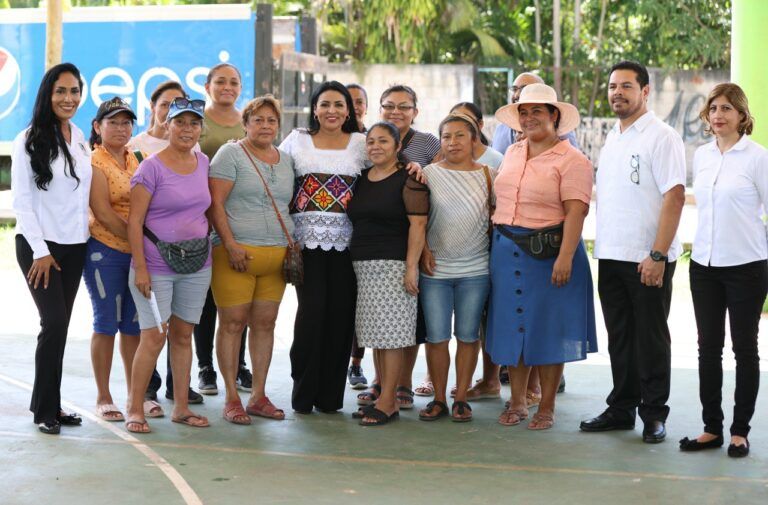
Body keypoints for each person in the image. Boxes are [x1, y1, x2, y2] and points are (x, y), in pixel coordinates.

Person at [580, 61, 686, 444]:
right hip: (611, 254)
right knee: (620, 336)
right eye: (612, 86)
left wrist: (657, 255)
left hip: (647, 257)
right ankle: (622, 408)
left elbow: (674, 196)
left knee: (651, 338)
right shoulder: (613, 136)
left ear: (645, 91)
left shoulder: (662, 136)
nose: (617, 93)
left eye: (626, 86)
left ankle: (654, 414)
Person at [487, 84, 597, 429]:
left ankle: (546, 406)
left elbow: (576, 212)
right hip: (506, 251)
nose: (529, 117)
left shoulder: (573, 160)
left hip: (551, 253)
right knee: (512, 328)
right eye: (523, 111)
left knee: (549, 330)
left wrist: (565, 258)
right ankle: (517, 402)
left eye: (537, 111)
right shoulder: (514, 153)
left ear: (554, 116)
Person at [679, 83, 768, 458]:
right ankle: (711, 428)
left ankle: (739, 431)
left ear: (741, 115)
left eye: (727, 108)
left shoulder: (758, 157)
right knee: (707, 348)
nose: (718, 115)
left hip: (747, 266)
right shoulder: (702, 156)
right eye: (713, 108)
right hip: (704, 265)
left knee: (744, 349)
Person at [11, 63, 93, 435]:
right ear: (48, 94)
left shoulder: (79, 136)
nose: (69, 98)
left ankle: (50, 403)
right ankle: (45, 409)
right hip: (39, 248)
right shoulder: (27, 139)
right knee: (55, 323)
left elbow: (81, 196)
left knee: (60, 327)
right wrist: (42, 251)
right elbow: (23, 203)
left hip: (75, 246)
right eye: (61, 91)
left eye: (75, 91)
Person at [124, 97, 213, 433]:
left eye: (193, 123)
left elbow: (204, 210)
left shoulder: (203, 162)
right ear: (167, 125)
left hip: (197, 264)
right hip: (155, 265)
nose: (187, 129)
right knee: (153, 336)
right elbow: (134, 222)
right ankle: (135, 408)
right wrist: (141, 267)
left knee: (183, 334)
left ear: (201, 128)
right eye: (180, 122)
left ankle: (181, 408)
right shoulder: (150, 167)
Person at [280, 81, 366, 414]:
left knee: (341, 317)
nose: (332, 111)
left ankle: (330, 396)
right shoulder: (297, 140)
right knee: (311, 314)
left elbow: (388, 168)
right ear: (314, 109)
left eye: (339, 105)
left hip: (350, 244)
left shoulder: (361, 143)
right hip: (306, 243)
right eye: (325, 104)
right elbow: (271, 165)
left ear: (350, 111)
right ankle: (303, 392)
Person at [208, 95, 294, 424]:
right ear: (245, 124)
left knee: (265, 325)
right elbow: (215, 204)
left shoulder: (286, 160)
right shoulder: (231, 153)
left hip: (276, 259)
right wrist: (229, 244)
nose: (265, 126)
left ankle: (258, 395)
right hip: (236, 255)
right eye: (258, 120)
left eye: (271, 120)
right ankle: (232, 397)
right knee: (232, 324)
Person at [348, 122, 429, 426]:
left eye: (383, 141)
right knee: (377, 336)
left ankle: (388, 402)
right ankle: (384, 395)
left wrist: (411, 267)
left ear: (397, 147)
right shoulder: (362, 179)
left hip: (393, 265)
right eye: (371, 141)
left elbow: (418, 226)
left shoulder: (409, 179)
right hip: (363, 266)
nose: (376, 146)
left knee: (393, 337)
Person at [85, 97, 161, 421]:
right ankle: (104, 396)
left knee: (134, 327)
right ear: (98, 127)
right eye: (113, 122)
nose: (120, 128)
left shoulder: (138, 159)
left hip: (137, 253)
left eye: (126, 122)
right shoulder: (93, 162)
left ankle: (136, 396)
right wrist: (138, 240)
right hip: (105, 252)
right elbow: (102, 212)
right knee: (106, 324)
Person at [417, 114, 493, 423]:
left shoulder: (490, 175)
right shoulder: (426, 174)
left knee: (467, 335)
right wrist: (422, 250)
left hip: (476, 270)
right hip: (435, 270)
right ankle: (438, 398)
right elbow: (416, 220)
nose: (453, 142)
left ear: (475, 140)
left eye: (460, 136)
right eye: (446, 136)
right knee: (436, 337)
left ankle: (460, 397)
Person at [375, 84, 440, 405]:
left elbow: (443, 177)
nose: (396, 112)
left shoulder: (428, 143)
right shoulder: (368, 138)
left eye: (404, 106)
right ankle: (379, 380)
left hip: (416, 239)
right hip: (377, 242)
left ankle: (403, 383)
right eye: (389, 106)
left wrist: (422, 170)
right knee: (376, 314)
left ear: (416, 111)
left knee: (409, 317)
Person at [195, 63, 250, 397]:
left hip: (239, 222)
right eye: (220, 81)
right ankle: (205, 367)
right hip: (200, 220)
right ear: (207, 86)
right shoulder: (196, 120)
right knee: (205, 300)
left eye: (234, 82)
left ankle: (239, 364)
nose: (227, 87)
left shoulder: (250, 121)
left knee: (238, 300)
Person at [346, 83, 370, 389]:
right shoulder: (312, 139)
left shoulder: (370, 139)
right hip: (331, 236)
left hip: (364, 234)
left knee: (363, 305)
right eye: (347, 101)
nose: (353, 107)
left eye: (359, 101)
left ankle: (356, 364)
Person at [492, 72, 579, 156]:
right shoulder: (501, 129)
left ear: (554, 115)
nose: (517, 95)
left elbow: (572, 162)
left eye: (524, 89)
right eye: (514, 89)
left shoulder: (562, 131)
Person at [128, 80, 201, 155]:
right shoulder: (135, 145)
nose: (170, 111)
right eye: (165, 105)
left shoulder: (192, 145)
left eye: (176, 105)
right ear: (153, 106)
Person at [450, 102, 504, 169]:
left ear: (480, 124)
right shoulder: (447, 158)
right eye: (454, 120)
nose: (458, 125)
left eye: (466, 119)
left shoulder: (497, 160)